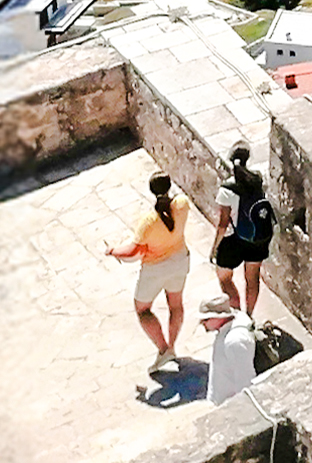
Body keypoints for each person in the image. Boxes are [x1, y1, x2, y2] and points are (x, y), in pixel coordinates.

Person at [104, 171, 192, 369]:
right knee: (175, 304)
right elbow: (178, 200)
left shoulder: (149, 222)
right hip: (179, 261)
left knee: (143, 309)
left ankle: (163, 349)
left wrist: (112, 251)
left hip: (155, 269)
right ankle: (172, 345)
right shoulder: (182, 204)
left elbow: (133, 250)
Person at [208, 143, 273, 322]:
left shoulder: (227, 189)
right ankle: (249, 316)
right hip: (257, 239)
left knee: (224, 277)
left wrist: (214, 248)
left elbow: (223, 224)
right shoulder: (258, 179)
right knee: (252, 278)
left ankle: (237, 315)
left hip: (233, 240)